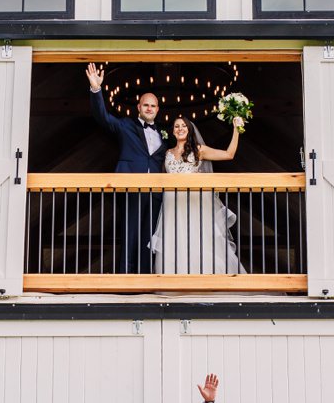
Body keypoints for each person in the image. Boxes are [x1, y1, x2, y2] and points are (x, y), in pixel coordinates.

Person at [86, 62, 166, 274]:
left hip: (156, 192)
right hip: (132, 187)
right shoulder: (125, 126)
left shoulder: (163, 134)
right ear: (139, 107)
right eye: (145, 105)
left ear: (158, 110)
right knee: (130, 233)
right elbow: (102, 117)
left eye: (153, 106)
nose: (149, 108)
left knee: (150, 237)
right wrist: (96, 89)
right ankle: (126, 279)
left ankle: (147, 278)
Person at [151, 115, 245, 275]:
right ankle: (176, 280)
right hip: (172, 205)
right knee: (175, 240)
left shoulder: (198, 150)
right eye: (176, 126)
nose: (180, 129)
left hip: (193, 203)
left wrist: (236, 130)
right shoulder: (167, 153)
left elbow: (229, 154)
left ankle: (207, 277)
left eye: (183, 126)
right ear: (173, 131)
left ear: (189, 129)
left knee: (198, 239)